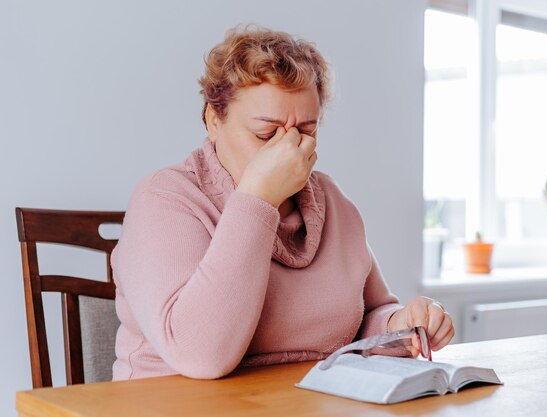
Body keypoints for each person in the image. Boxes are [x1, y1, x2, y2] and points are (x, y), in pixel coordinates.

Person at [111, 26, 454, 380]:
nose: (288, 148)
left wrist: (404, 325)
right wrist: (259, 198)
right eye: (266, 134)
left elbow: (371, 315)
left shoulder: (332, 202)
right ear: (214, 121)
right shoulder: (163, 199)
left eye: (306, 131)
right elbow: (201, 356)